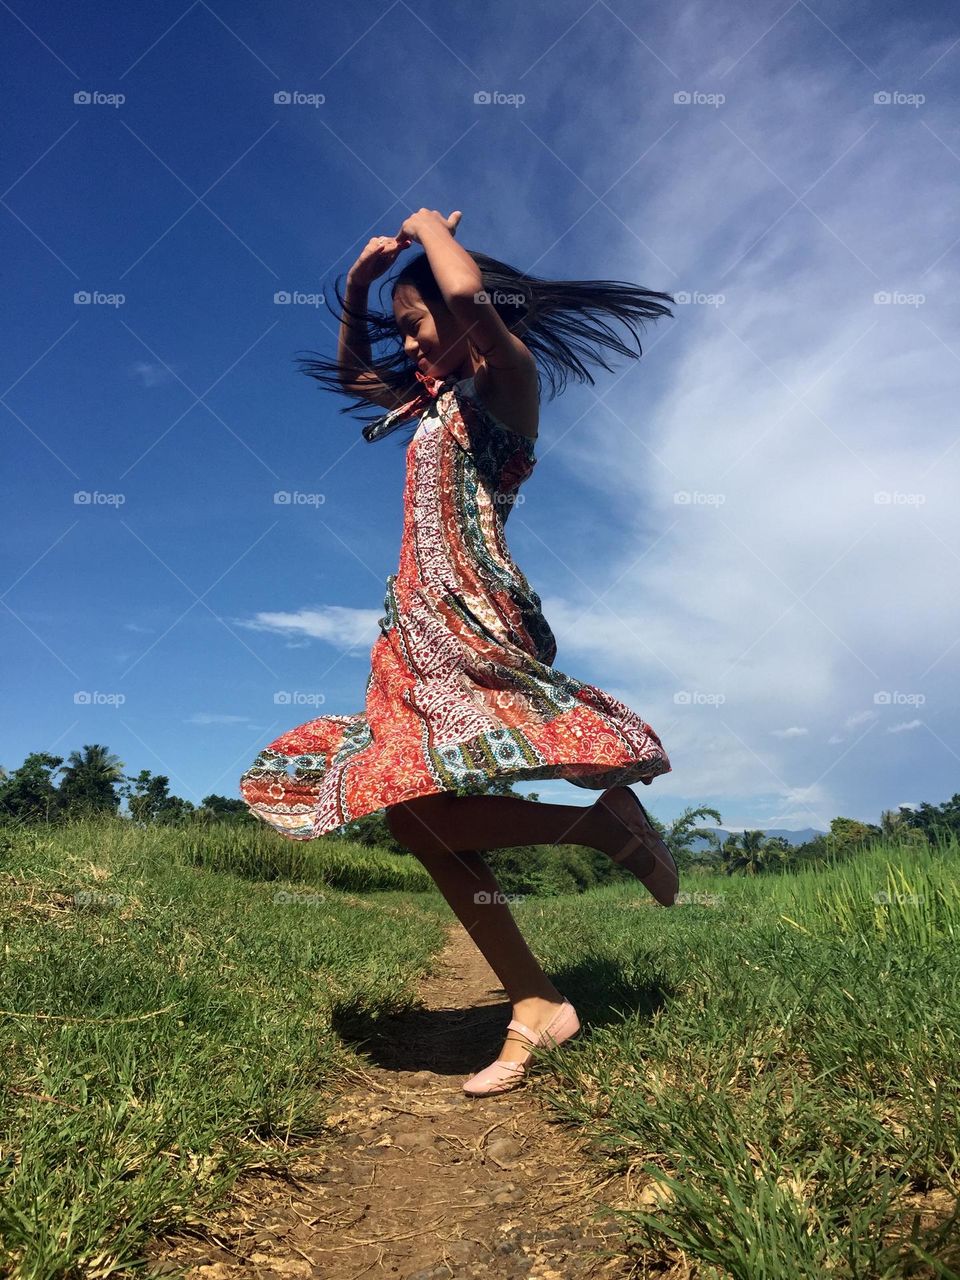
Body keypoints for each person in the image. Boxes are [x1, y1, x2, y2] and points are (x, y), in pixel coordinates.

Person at [240, 208, 679, 1096]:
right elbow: (353, 371)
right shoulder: (429, 402)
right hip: (410, 631)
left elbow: (472, 292)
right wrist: (364, 288)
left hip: (472, 616)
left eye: (416, 322)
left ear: (464, 312)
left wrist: (420, 232)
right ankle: (537, 994)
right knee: (413, 817)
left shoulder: (506, 385)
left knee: (420, 813)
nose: (405, 345)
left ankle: (597, 845)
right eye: (402, 330)